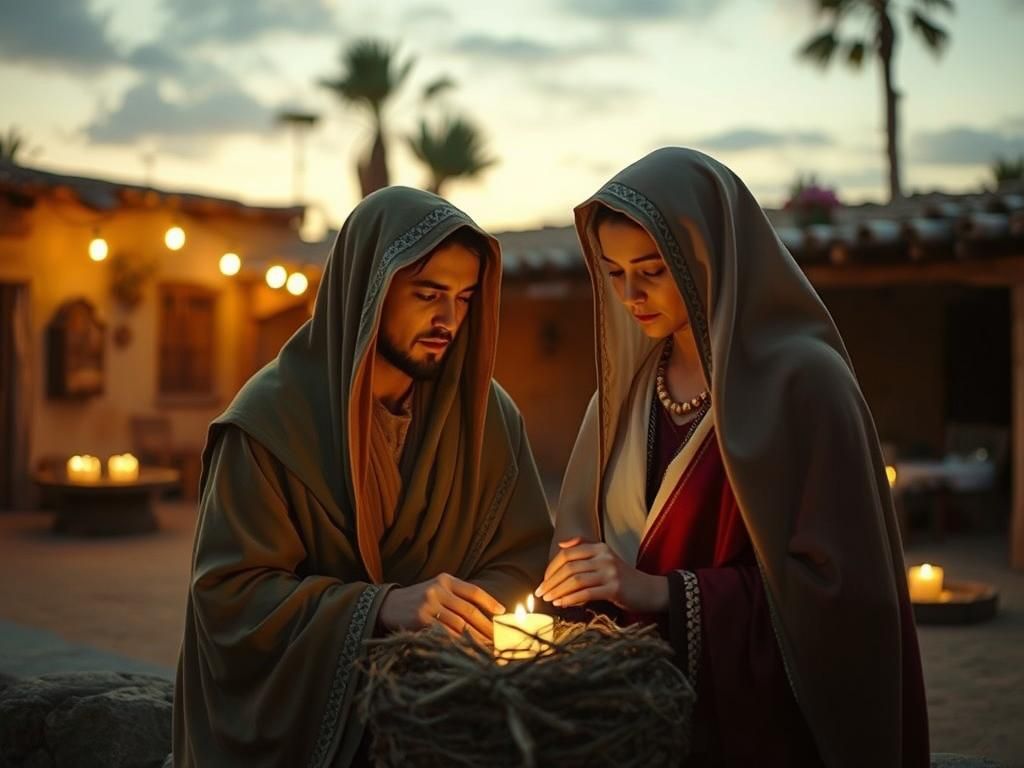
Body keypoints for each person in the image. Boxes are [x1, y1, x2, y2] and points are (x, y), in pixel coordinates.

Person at [538, 147, 928, 766]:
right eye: (613, 274)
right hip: (637, 719)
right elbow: (583, 549)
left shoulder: (805, 383)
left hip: (759, 733)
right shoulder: (624, 398)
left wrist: (666, 593)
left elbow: (845, 597)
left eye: (653, 269)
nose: (631, 294)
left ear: (707, 255)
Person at [171, 186, 553, 767]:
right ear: (369, 292)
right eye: (428, 294)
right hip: (306, 727)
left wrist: (465, 617)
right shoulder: (270, 424)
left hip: (442, 719)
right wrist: (378, 608)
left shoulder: (485, 416)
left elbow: (521, 560)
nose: (448, 319)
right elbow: (229, 598)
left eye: (464, 298)